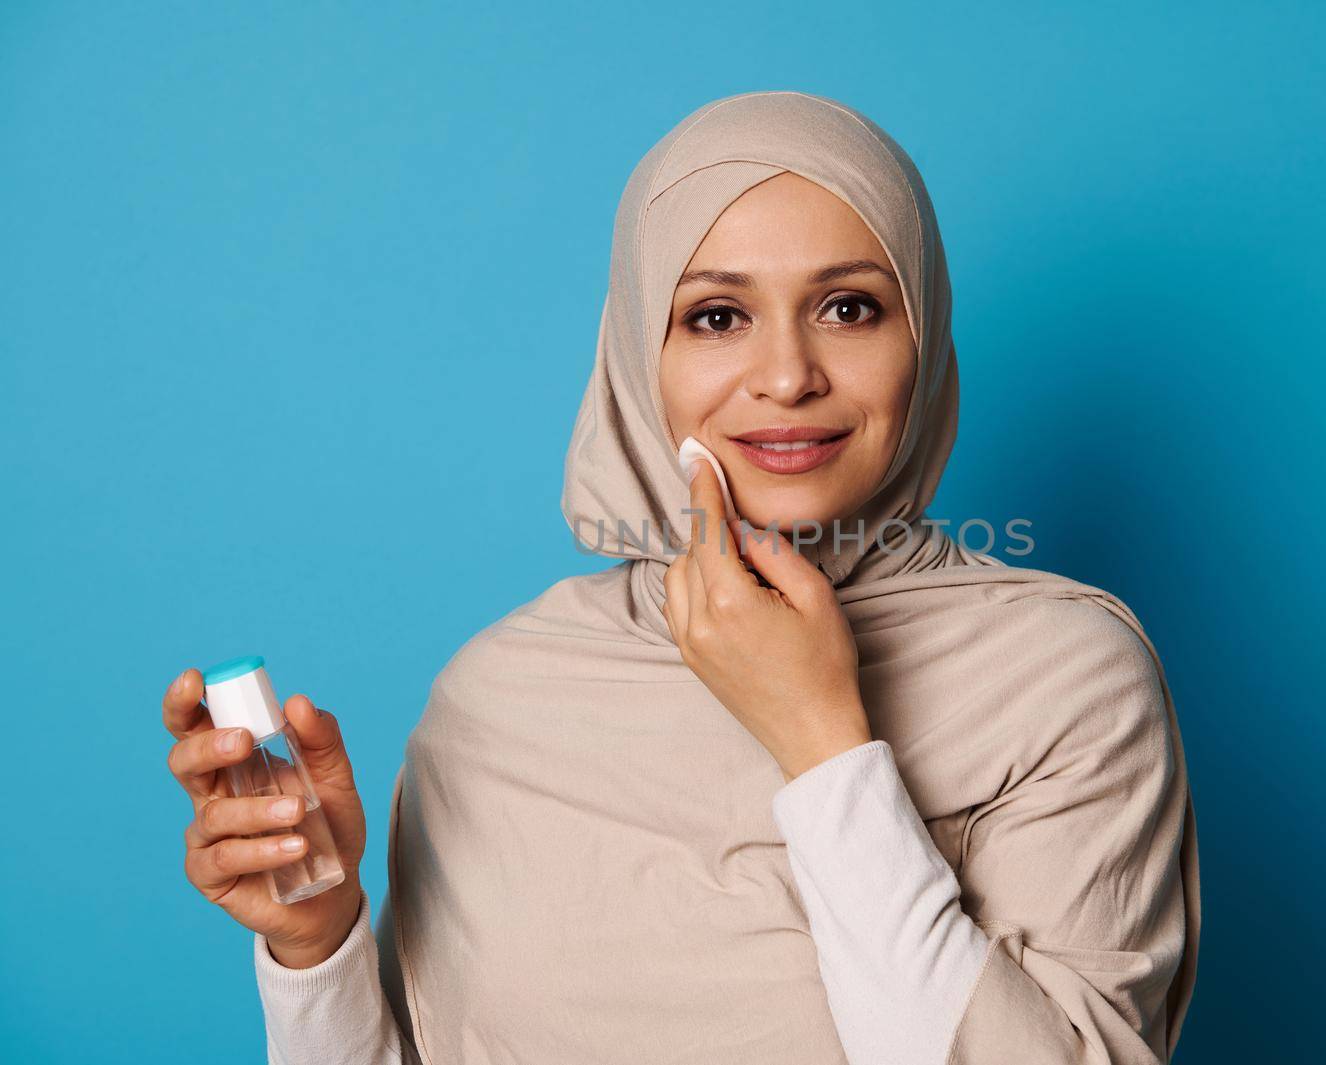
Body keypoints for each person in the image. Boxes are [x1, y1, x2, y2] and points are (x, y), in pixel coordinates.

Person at [162, 90, 1200, 1065]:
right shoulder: (502, 699)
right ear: (634, 352)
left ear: (921, 337)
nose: (787, 375)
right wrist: (317, 941)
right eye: (715, 317)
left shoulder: (1064, 678)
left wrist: (819, 738)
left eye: (848, 307)